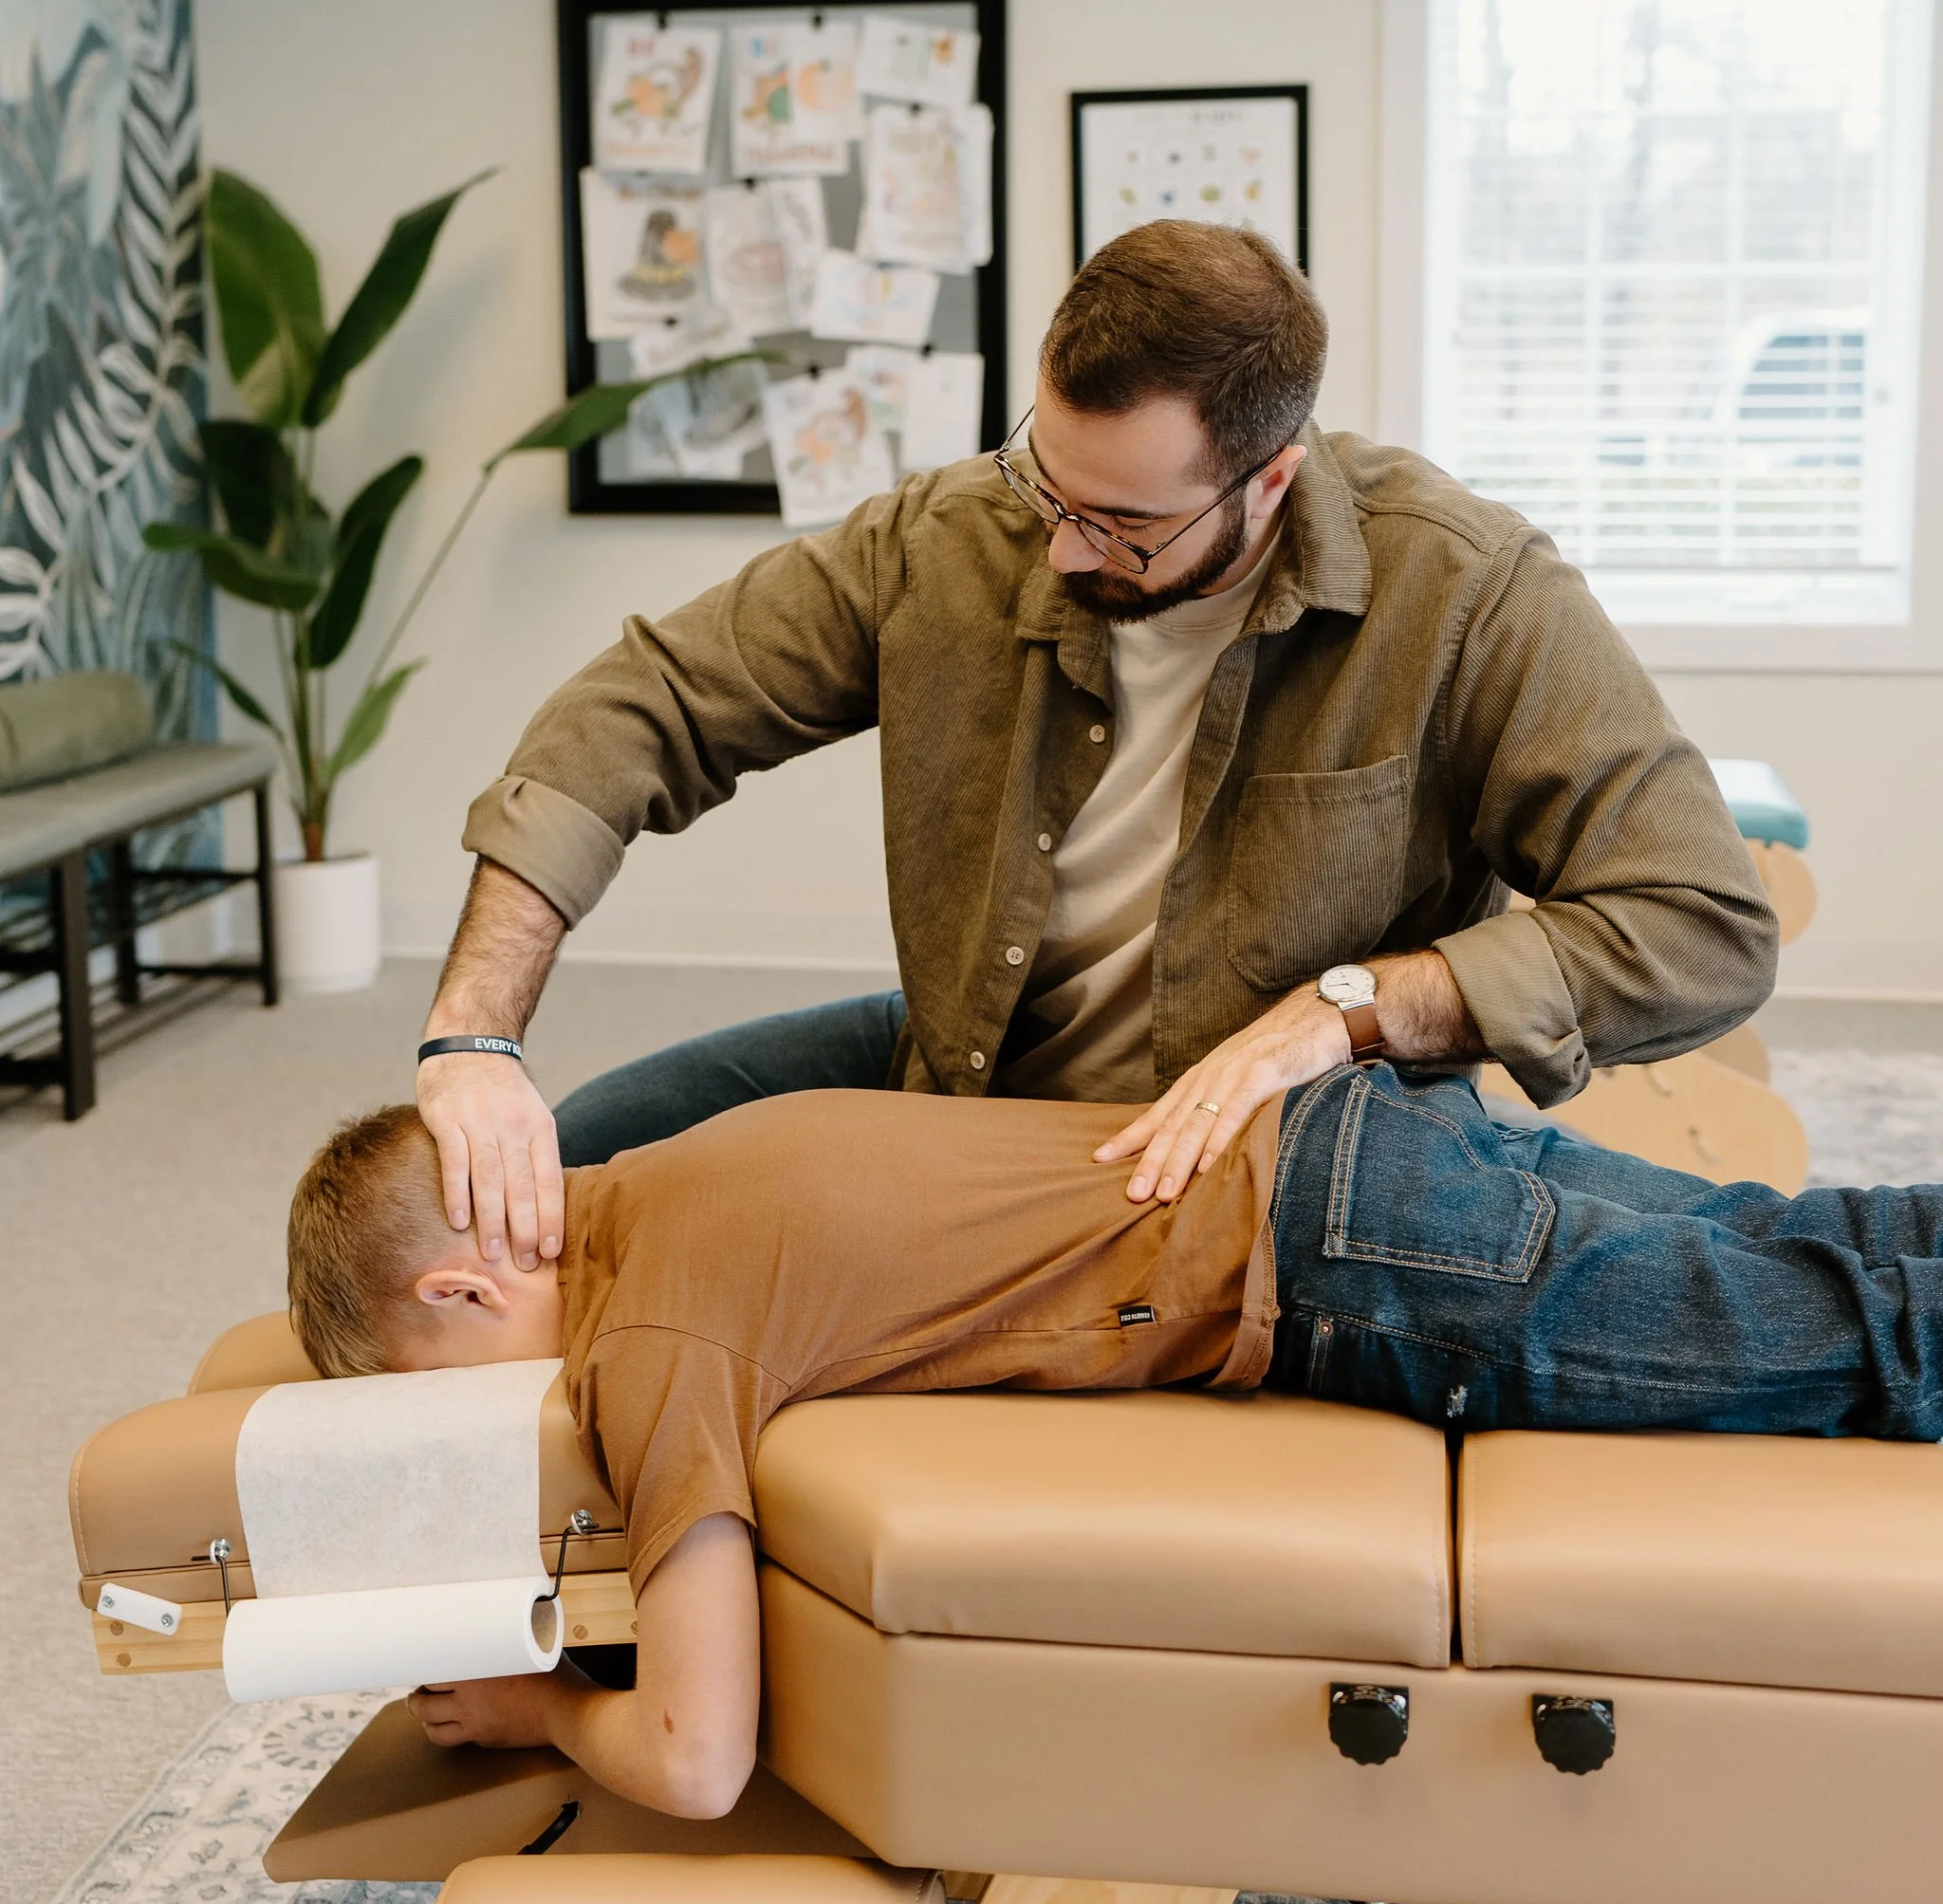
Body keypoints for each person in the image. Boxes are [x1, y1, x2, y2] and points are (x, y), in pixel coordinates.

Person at [415, 221, 1777, 1274]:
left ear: (1272, 479)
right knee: (556, 1174)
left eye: (1123, 524)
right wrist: (474, 1032)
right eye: (1044, 479)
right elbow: (643, 705)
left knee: (1707, 1254)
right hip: (971, 1060)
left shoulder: (1465, 591)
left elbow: (1703, 925)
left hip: (1267, 1142)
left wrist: (1353, 1003)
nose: (1064, 547)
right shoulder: (953, 540)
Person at [286, 1061, 1943, 1824]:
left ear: (468, 1275)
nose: (493, 1415)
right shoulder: (701, 1156)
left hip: (1367, 1273)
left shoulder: (650, 1347)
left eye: (449, 1377)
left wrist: (548, 1710)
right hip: (1353, 1132)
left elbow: (700, 1765)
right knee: (1827, 1242)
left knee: (1871, 1348)